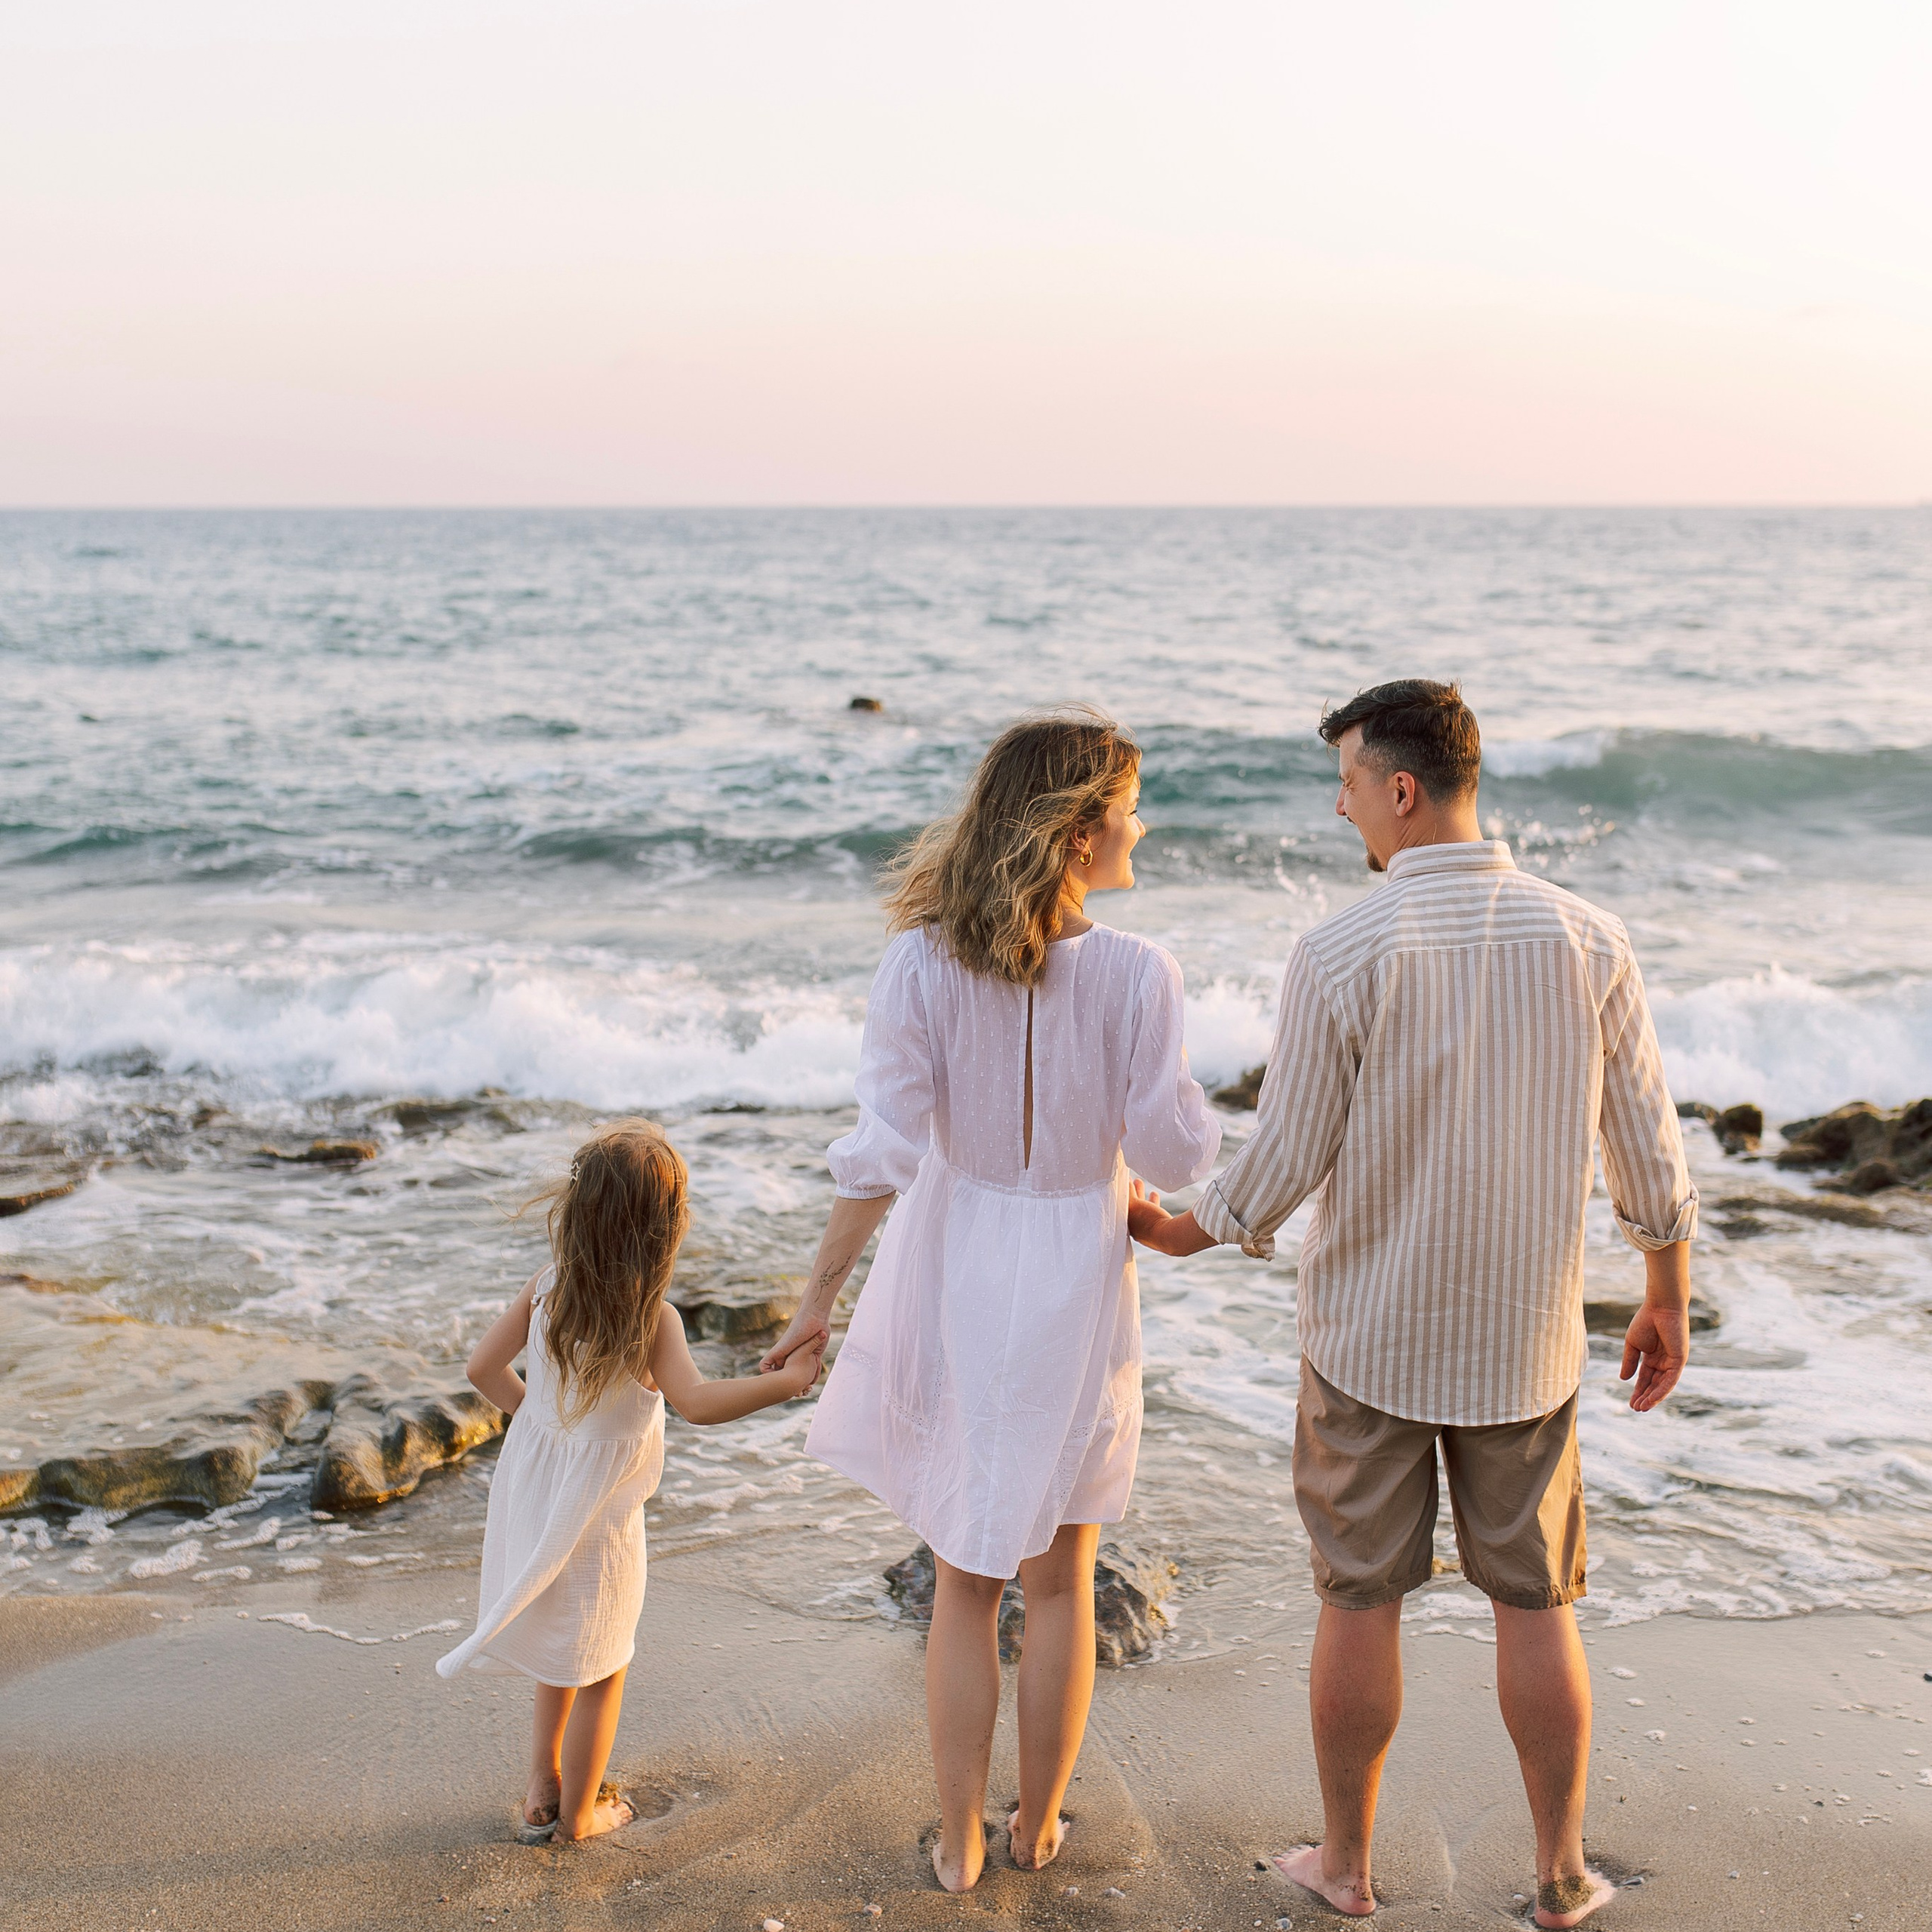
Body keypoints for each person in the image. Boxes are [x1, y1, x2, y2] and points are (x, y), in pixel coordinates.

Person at [1131, 680, 1696, 1930]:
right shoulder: (1589, 937)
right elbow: (1648, 1147)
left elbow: (1284, 1163)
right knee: (1537, 1607)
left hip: (1369, 1345)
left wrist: (1174, 1226)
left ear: (1400, 788)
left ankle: (1346, 1867)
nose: (1341, 810)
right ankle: (1560, 1875)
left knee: (1358, 1601)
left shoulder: (1342, 951)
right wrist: (1666, 1292)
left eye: (1347, 784)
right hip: (1525, 1349)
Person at [758, 707, 1221, 1893]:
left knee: (964, 1578)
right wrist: (1197, 1119)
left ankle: (961, 1840)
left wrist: (817, 1300)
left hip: (956, 1260)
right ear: (1078, 833)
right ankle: (1038, 1824)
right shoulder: (1139, 974)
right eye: (1129, 811)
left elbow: (880, 1155)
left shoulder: (920, 961)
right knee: (1061, 1576)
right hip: (1076, 1273)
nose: (1142, 828)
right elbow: (1171, 1156)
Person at [437, 1118, 826, 1843]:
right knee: (602, 1666)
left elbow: (481, 1370)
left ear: (579, 1211)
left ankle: (542, 1786)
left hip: (537, 1500)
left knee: (561, 1651)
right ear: (662, 1233)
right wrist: (788, 1382)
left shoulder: (547, 1290)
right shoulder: (652, 1320)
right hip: (602, 1526)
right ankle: (580, 1816)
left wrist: (548, 1429)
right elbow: (698, 1403)